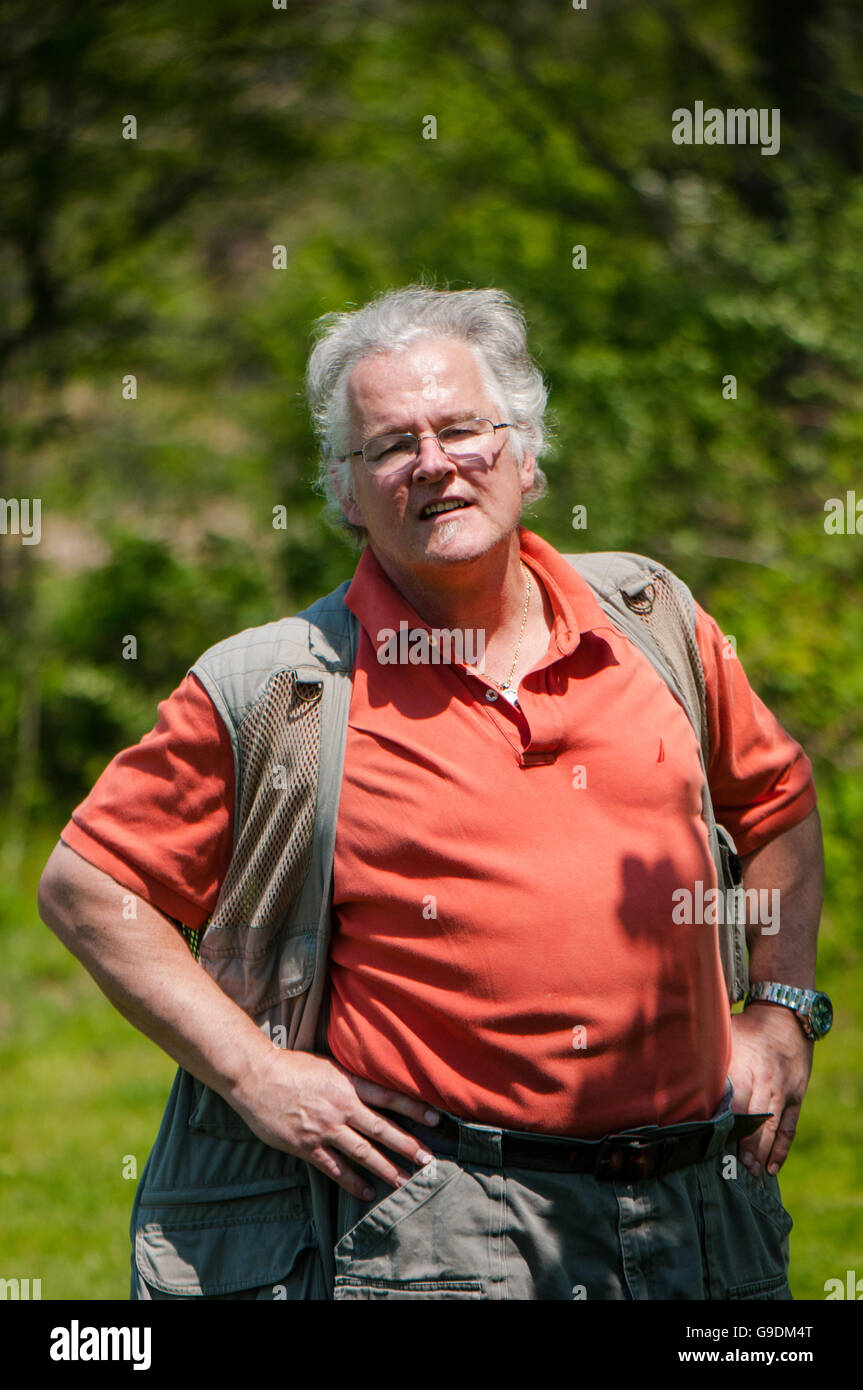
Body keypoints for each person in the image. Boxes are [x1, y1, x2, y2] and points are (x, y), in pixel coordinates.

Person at [38, 285, 828, 1301]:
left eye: (462, 429)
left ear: (525, 452)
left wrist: (779, 1007)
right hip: (443, 1222)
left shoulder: (648, 613)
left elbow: (774, 805)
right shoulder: (281, 683)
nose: (433, 463)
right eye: (390, 446)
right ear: (345, 490)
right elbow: (88, 886)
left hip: (699, 1209)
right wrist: (253, 1073)